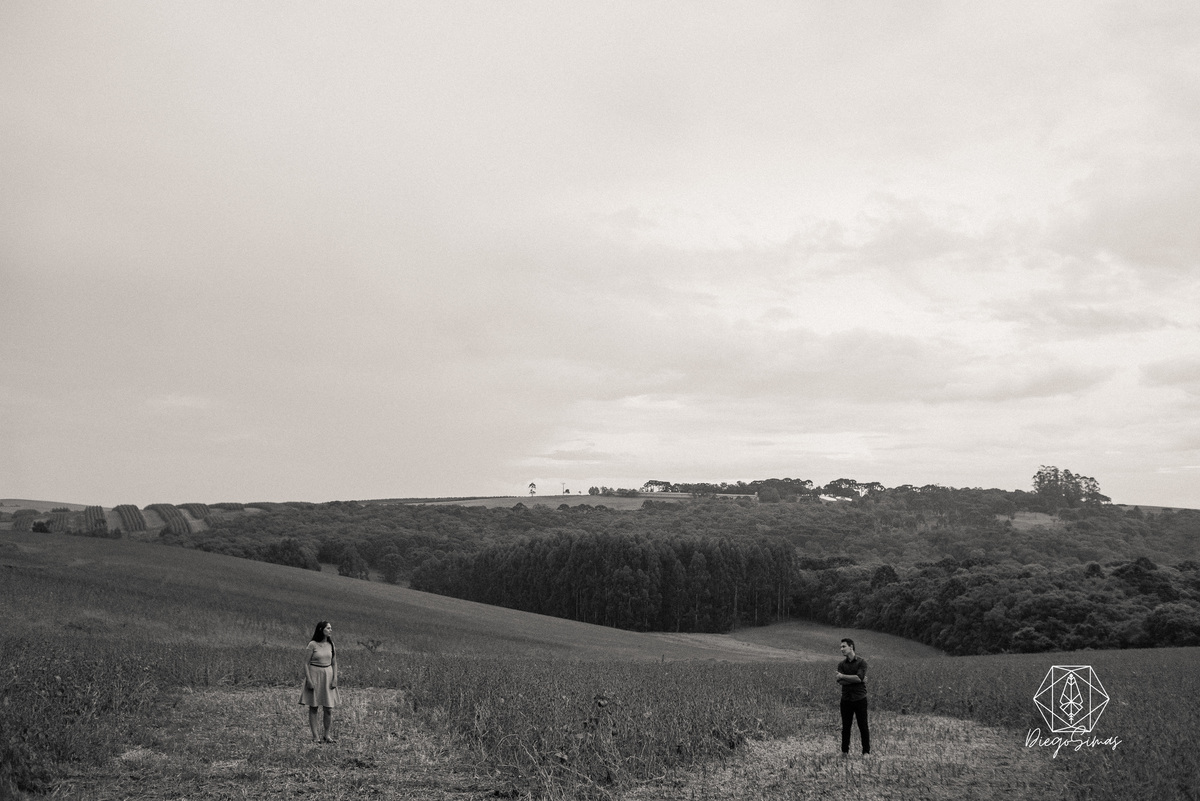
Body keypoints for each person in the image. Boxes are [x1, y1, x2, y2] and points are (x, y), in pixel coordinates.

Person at [299, 621, 339, 743]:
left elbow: (334, 663)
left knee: (328, 708)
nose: (330, 630)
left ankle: (327, 735)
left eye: (331, 628)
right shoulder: (312, 644)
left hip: (328, 676)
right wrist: (309, 680)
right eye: (328, 628)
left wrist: (335, 678)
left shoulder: (331, 644)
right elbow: (306, 663)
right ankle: (315, 737)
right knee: (314, 707)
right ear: (321, 629)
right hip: (315, 675)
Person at [836, 637, 870, 756]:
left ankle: (866, 752)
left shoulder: (862, 662)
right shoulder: (841, 664)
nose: (841, 649)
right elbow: (840, 682)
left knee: (863, 726)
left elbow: (857, 677)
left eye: (844, 646)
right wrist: (858, 680)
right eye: (841, 647)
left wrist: (843, 676)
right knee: (846, 727)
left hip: (860, 699)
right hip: (846, 699)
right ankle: (844, 751)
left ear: (851, 647)